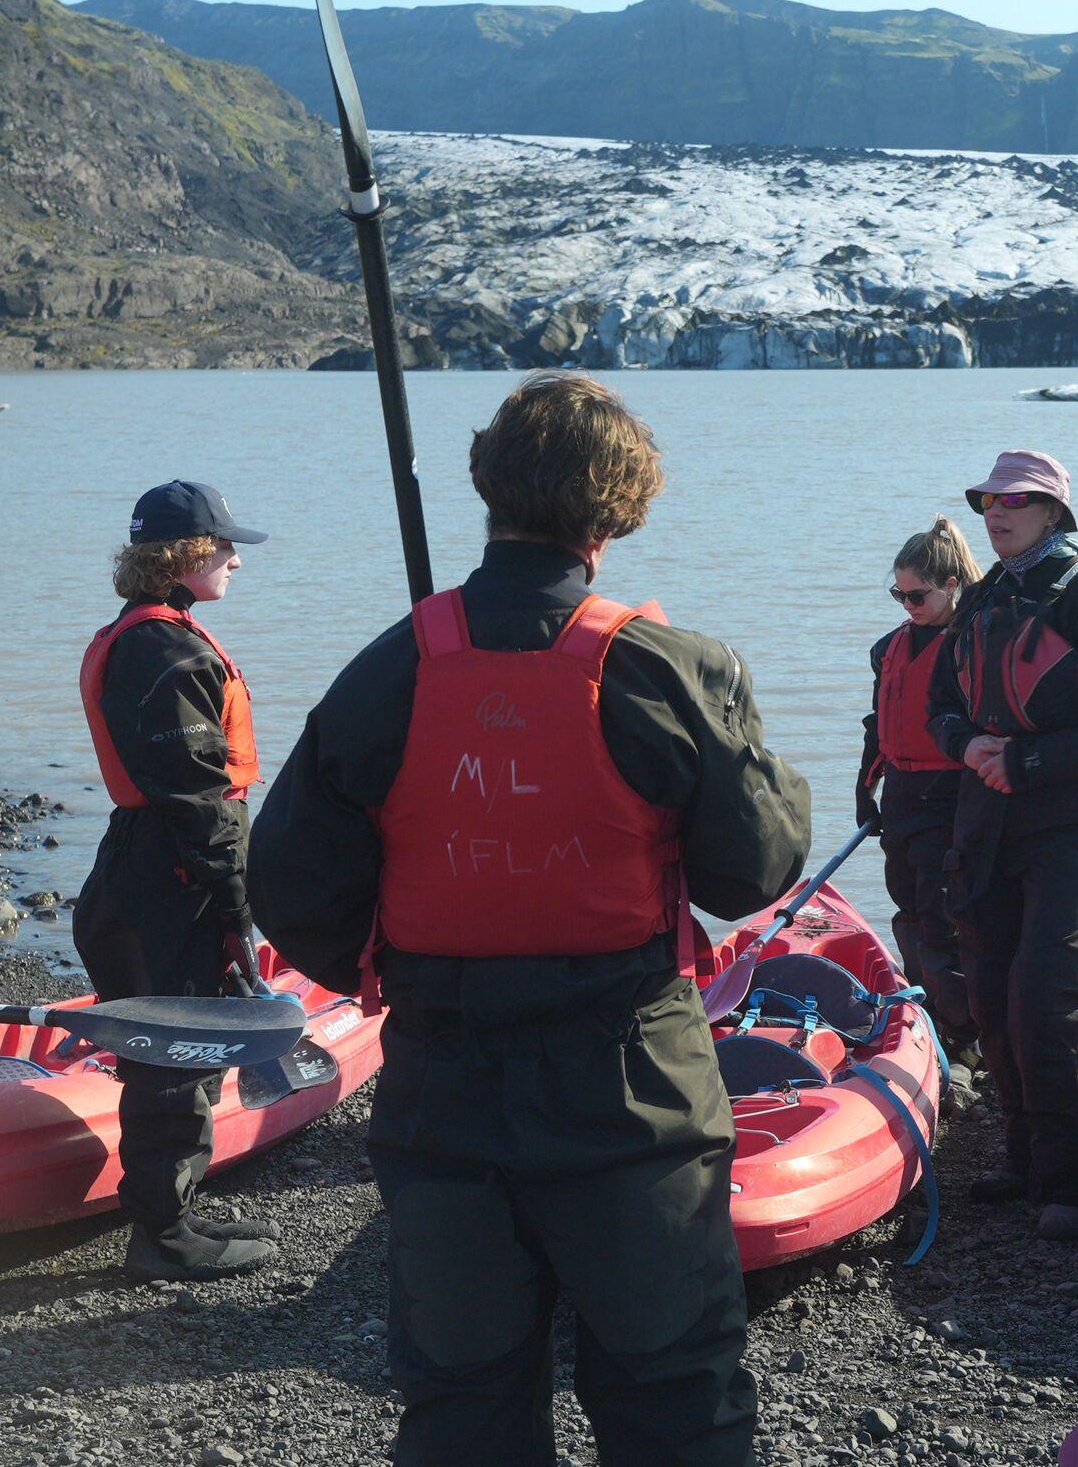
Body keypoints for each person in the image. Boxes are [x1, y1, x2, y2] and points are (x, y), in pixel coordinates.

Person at [253, 373, 811, 1465]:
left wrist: (407, 964)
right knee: (673, 1394)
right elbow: (754, 867)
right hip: (631, 1098)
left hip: (444, 1093)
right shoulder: (666, 670)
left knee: (463, 1402)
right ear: (615, 513)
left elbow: (288, 880)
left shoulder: (390, 666)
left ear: (490, 489)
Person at [929, 450, 1078, 1241]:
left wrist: (1024, 758)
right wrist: (967, 748)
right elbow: (941, 704)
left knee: (1048, 997)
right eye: (985, 499)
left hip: (1072, 820)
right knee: (991, 993)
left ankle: (1066, 1184)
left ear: (1055, 511)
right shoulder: (984, 597)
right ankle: (1020, 1159)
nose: (995, 511)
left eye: (1015, 500)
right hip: (985, 816)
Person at [75, 480, 278, 1283]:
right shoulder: (166, 651)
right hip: (167, 873)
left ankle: (171, 1212)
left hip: (141, 861)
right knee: (176, 1051)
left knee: (168, 1051)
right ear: (184, 556)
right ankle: (162, 1234)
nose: (234, 558)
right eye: (224, 545)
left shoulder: (146, 637)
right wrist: (237, 904)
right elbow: (195, 795)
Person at [856, 517, 987, 1087]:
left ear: (953, 583)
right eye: (898, 594)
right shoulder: (889, 649)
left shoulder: (973, 646)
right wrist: (865, 790)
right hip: (904, 797)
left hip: (952, 798)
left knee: (944, 922)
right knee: (907, 911)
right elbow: (875, 726)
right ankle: (925, 1018)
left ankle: (966, 1042)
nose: (907, 605)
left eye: (917, 595)